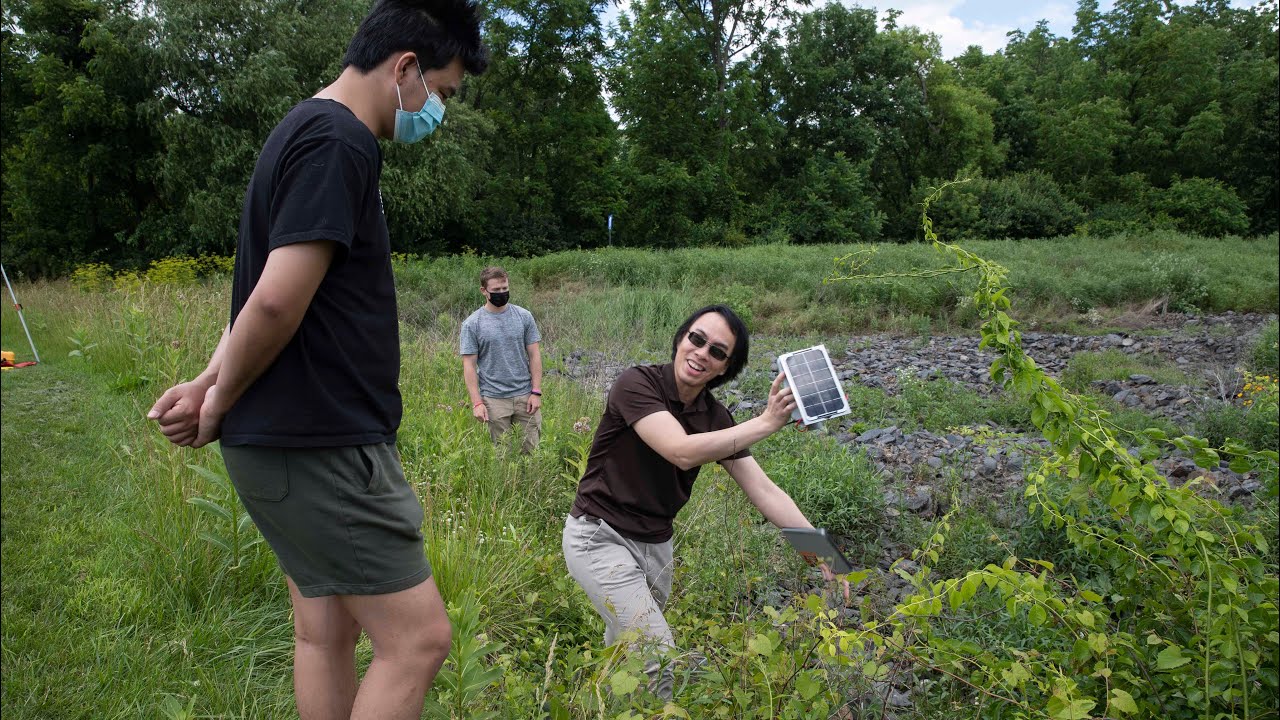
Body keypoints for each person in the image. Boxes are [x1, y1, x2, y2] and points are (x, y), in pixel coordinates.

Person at [145, 2, 487, 718]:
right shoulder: (341, 141)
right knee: (418, 641)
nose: (436, 111)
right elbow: (273, 305)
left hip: (288, 444)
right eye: (442, 92)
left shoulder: (301, 128)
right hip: (321, 443)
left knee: (324, 629)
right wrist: (219, 399)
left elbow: (263, 293)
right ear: (404, 70)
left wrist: (211, 382)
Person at [562, 305, 851, 699]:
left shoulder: (714, 417)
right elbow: (679, 450)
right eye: (696, 339)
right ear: (681, 339)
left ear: (724, 369)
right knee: (655, 651)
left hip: (656, 545)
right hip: (599, 536)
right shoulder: (637, 384)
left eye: (717, 352)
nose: (701, 353)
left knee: (626, 647)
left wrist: (825, 552)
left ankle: (602, 704)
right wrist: (766, 422)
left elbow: (763, 489)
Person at [460, 266, 543, 454]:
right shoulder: (472, 324)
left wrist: (536, 392)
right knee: (502, 457)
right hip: (494, 399)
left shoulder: (523, 316)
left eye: (505, 288)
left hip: (526, 397)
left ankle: (530, 484)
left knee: (531, 453)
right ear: (484, 291)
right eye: (496, 290)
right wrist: (477, 403)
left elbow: (534, 355)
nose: (502, 293)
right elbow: (469, 366)